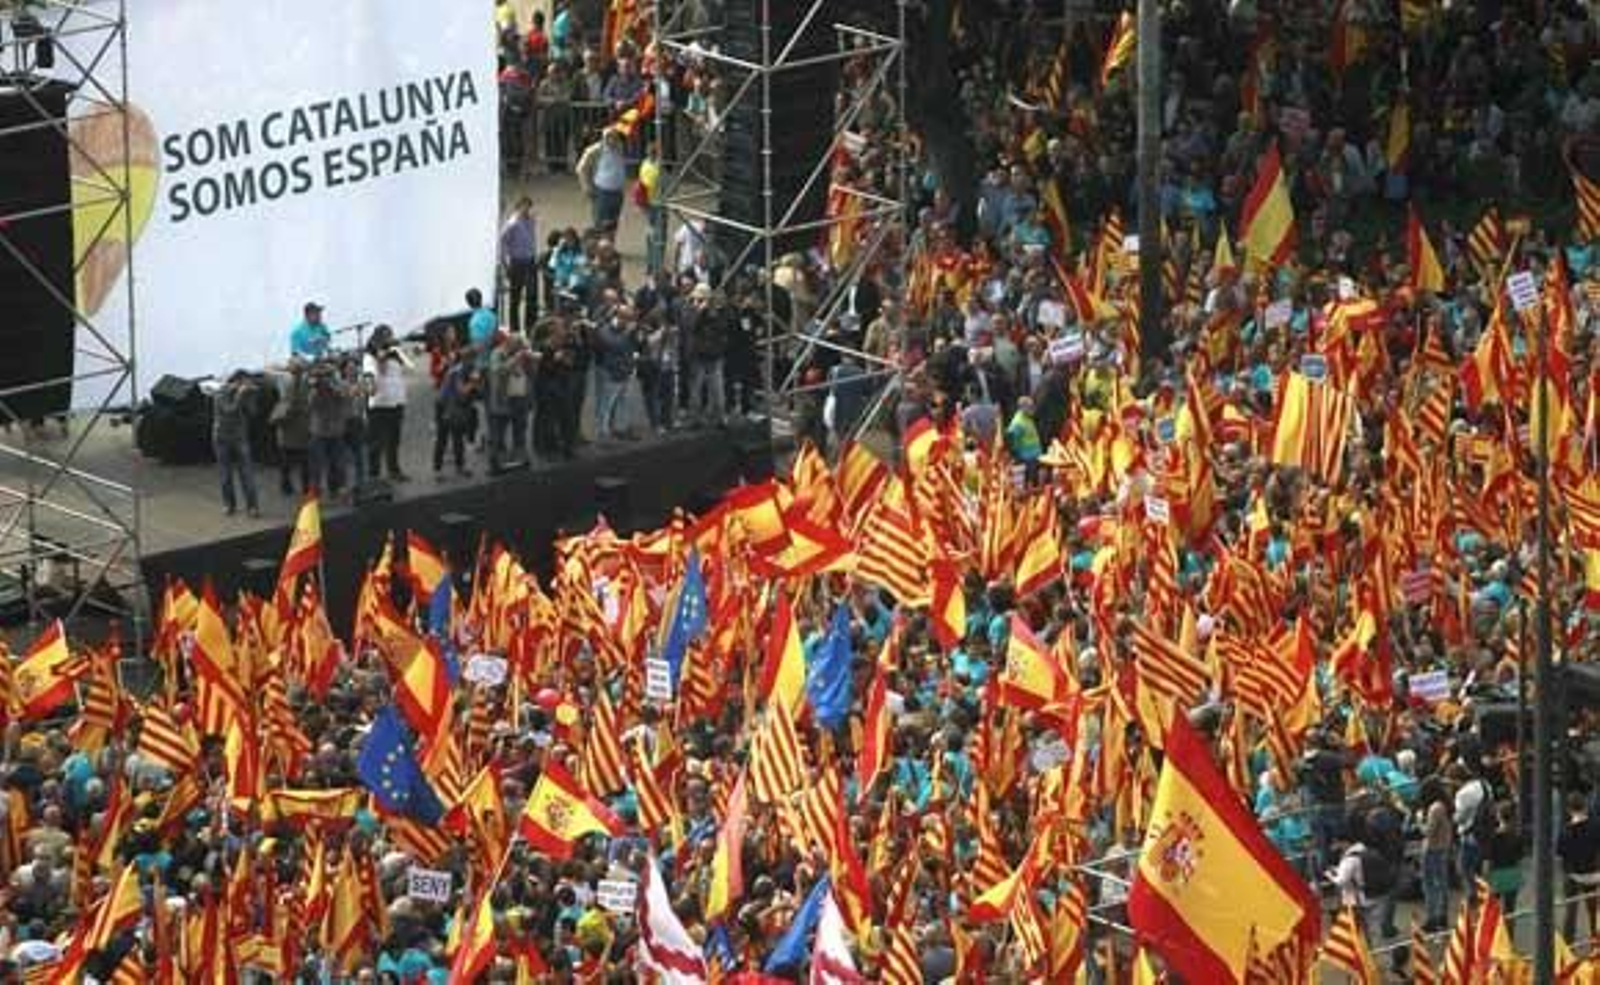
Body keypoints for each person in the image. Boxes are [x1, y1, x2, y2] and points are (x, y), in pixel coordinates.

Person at [362, 325, 410, 482]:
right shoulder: (370, 356)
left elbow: (409, 367)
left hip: (396, 402)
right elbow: (380, 371)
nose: (390, 339)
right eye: (387, 337)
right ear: (379, 338)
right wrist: (382, 354)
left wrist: (395, 352)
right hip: (379, 404)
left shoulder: (394, 354)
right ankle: (374, 475)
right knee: (376, 442)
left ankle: (394, 470)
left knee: (394, 439)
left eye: (391, 336)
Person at [211, 371, 260, 518]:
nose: (245, 385)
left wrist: (251, 397)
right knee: (226, 475)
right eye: (243, 382)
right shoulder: (220, 393)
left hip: (240, 437)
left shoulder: (243, 393)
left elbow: (253, 413)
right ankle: (229, 504)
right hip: (222, 438)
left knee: (247, 474)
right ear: (236, 381)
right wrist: (240, 395)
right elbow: (229, 411)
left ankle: (252, 506)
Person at [487, 332, 536, 469]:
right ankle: (497, 463)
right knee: (499, 433)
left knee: (520, 430)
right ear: (508, 342)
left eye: (521, 345)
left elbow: (532, 373)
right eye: (517, 344)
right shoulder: (497, 353)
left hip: (521, 397)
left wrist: (530, 359)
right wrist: (516, 358)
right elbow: (498, 371)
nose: (520, 347)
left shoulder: (523, 353)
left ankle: (520, 458)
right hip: (504, 399)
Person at [683, 283, 728, 428]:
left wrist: (714, 313)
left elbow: (723, 328)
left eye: (704, 299)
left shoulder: (715, 311)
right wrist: (700, 313)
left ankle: (719, 418)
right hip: (698, 355)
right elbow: (690, 328)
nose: (701, 302)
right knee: (696, 389)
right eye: (699, 299)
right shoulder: (689, 309)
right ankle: (694, 419)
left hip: (714, 355)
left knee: (717, 389)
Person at [1560, 792, 1600, 943]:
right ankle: (1595, 942)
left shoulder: (1565, 831)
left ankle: (1568, 946)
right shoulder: (1596, 825)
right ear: (1585, 806)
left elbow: (1561, 855)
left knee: (1570, 913)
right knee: (1593, 912)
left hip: (1573, 875)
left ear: (1569, 809)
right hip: (1593, 875)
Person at [432, 342, 476, 479]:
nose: (475, 362)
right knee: (442, 439)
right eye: (473, 359)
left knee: (457, 438)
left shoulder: (465, 369)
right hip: (444, 407)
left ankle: (460, 467)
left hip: (454, 407)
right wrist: (473, 383)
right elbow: (461, 392)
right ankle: (437, 470)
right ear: (467, 359)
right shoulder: (457, 371)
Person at [576, 128, 628, 232]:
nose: (613, 140)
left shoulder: (619, 148)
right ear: (605, 138)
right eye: (610, 137)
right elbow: (581, 168)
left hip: (618, 192)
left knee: (613, 225)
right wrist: (586, 187)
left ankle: (610, 246)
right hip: (602, 192)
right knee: (601, 224)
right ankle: (600, 246)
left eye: (615, 137)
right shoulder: (595, 150)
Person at [271, 364, 312, 497]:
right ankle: (305, 488)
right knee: (304, 463)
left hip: (287, 429)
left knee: (286, 463)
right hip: (302, 429)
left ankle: (286, 486)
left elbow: (285, 404)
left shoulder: (285, 382)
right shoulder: (306, 385)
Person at [501, 197, 539, 332]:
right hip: (517, 262)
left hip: (530, 261)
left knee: (532, 296)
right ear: (518, 207)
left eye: (529, 207)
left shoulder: (532, 220)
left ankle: (530, 327)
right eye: (524, 207)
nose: (527, 210)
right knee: (515, 298)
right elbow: (503, 243)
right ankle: (514, 328)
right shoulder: (512, 223)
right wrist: (505, 264)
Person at [466, 289, 498, 357]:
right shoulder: (491, 314)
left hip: (482, 360)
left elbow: (478, 346)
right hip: (494, 352)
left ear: (468, 303)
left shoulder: (474, 322)